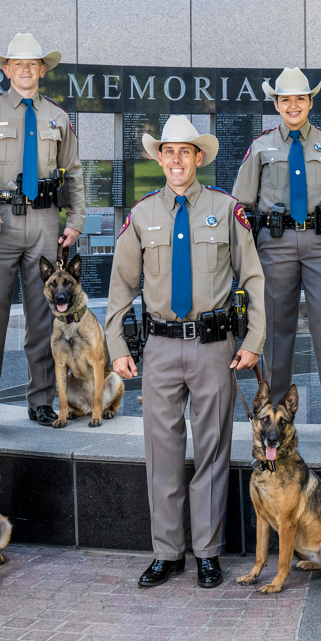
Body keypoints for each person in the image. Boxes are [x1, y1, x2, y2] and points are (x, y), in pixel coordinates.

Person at [106, 116, 266, 589]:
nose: (176, 160)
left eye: (185, 151)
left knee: (213, 450)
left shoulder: (226, 209)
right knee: (163, 452)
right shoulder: (141, 216)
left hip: (215, 346)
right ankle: (168, 553)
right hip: (158, 348)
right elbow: (120, 289)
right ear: (159, 158)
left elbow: (253, 278)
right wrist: (117, 345)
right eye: (168, 152)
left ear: (200, 157)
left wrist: (253, 341)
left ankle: (208, 553)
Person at [0, 33, 85, 426]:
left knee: (46, 315)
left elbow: (73, 171)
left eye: (33, 64)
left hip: (45, 221)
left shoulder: (58, 117)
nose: (26, 70)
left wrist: (74, 220)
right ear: (6, 69)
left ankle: (41, 398)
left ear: (43, 69)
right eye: (18, 64)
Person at [232, 68, 321, 437]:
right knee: (276, 327)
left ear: (310, 102)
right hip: (273, 245)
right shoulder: (261, 147)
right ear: (276, 103)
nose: (293, 105)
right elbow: (240, 206)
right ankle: (273, 412)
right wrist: (245, 257)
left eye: (300, 99)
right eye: (285, 99)